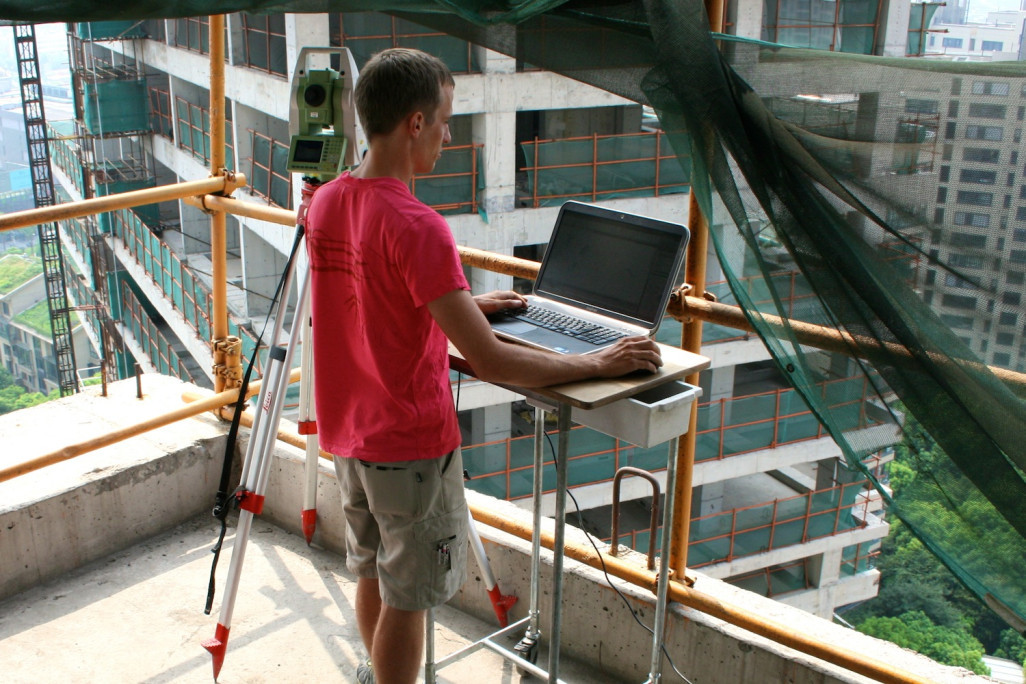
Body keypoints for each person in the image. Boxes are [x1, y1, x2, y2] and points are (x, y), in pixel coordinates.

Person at [305, 47, 663, 684]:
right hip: (407, 443)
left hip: (350, 434)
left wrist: (459, 304)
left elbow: (373, 302)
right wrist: (597, 358)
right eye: (445, 121)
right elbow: (490, 359)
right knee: (408, 596)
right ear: (414, 122)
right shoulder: (418, 226)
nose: (448, 136)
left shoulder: (327, 202)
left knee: (373, 570)